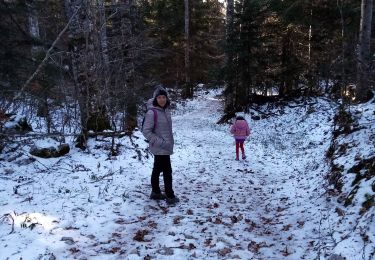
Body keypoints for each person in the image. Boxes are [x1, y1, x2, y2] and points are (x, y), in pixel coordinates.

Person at [142, 86, 179, 205]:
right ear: (155, 99)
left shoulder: (166, 110)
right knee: (167, 171)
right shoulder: (152, 112)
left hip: (165, 146)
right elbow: (146, 131)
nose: (162, 99)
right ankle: (170, 195)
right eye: (159, 97)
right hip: (160, 147)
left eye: (164, 97)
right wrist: (161, 143)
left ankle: (156, 192)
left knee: (157, 169)